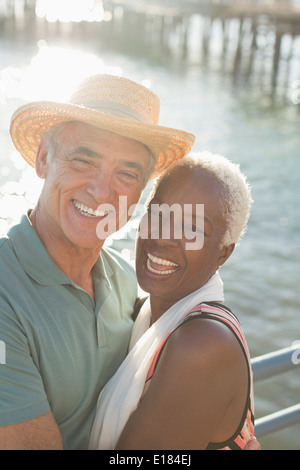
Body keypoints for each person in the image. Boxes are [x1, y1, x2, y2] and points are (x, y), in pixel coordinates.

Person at [0, 73, 195, 450]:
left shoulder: (124, 278)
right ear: (43, 158)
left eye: (126, 173)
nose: (102, 191)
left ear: (140, 192)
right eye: (83, 160)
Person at [89, 152, 256, 450]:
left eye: (192, 229)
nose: (163, 238)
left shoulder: (201, 346)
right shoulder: (145, 310)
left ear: (223, 253)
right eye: (157, 214)